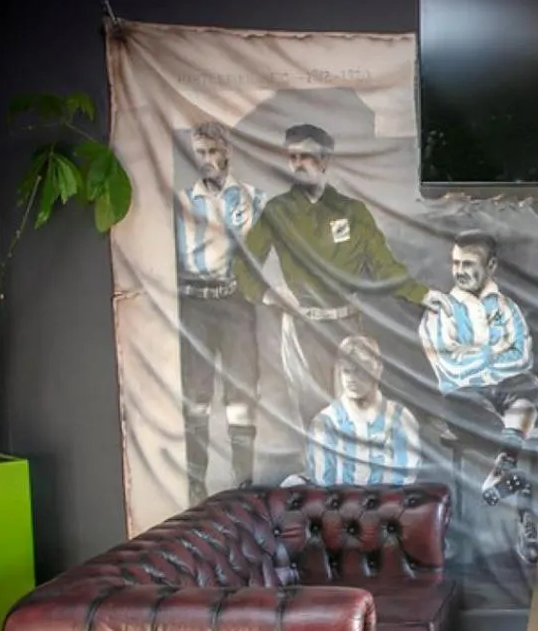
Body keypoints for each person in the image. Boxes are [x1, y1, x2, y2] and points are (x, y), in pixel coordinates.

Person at [233, 123, 448, 425]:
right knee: (315, 415)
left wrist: (423, 294)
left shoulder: (352, 211)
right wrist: (270, 295)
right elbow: (242, 266)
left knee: (356, 411)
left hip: (348, 325)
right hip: (303, 328)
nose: (297, 165)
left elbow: (384, 266)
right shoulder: (277, 212)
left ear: (325, 160)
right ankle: (321, 471)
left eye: (306, 156)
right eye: (292, 157)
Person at [418, 229, 538, 561]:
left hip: (504, 389)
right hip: (465, 396)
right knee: (463, 404)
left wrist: (475, 355)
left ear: (492, 265)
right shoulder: (440, 309)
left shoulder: (506, 307)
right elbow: (448, 365)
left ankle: (504, 466)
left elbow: (522, 356)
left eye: (469, 263)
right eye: (455, 263)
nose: (459, 271)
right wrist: (491, 354)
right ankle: (520, 495)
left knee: (531, 386)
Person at [172, 121, 266, 504]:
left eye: (213, 152)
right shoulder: (178, 202)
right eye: (200, 153)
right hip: (193, 303)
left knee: (242, 392)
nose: (207, 160)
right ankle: (196, 483)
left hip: (234, 301)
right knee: (195, 396)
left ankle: (243, 483)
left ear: (226, 151)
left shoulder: (254, 198)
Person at [302, 334, 422, 486]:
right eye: (346, 371)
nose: (351, 379)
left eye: (360, 371)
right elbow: (324, 482)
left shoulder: (401, 418)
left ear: (377, 370)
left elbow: (405, 477)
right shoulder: (326, 422)